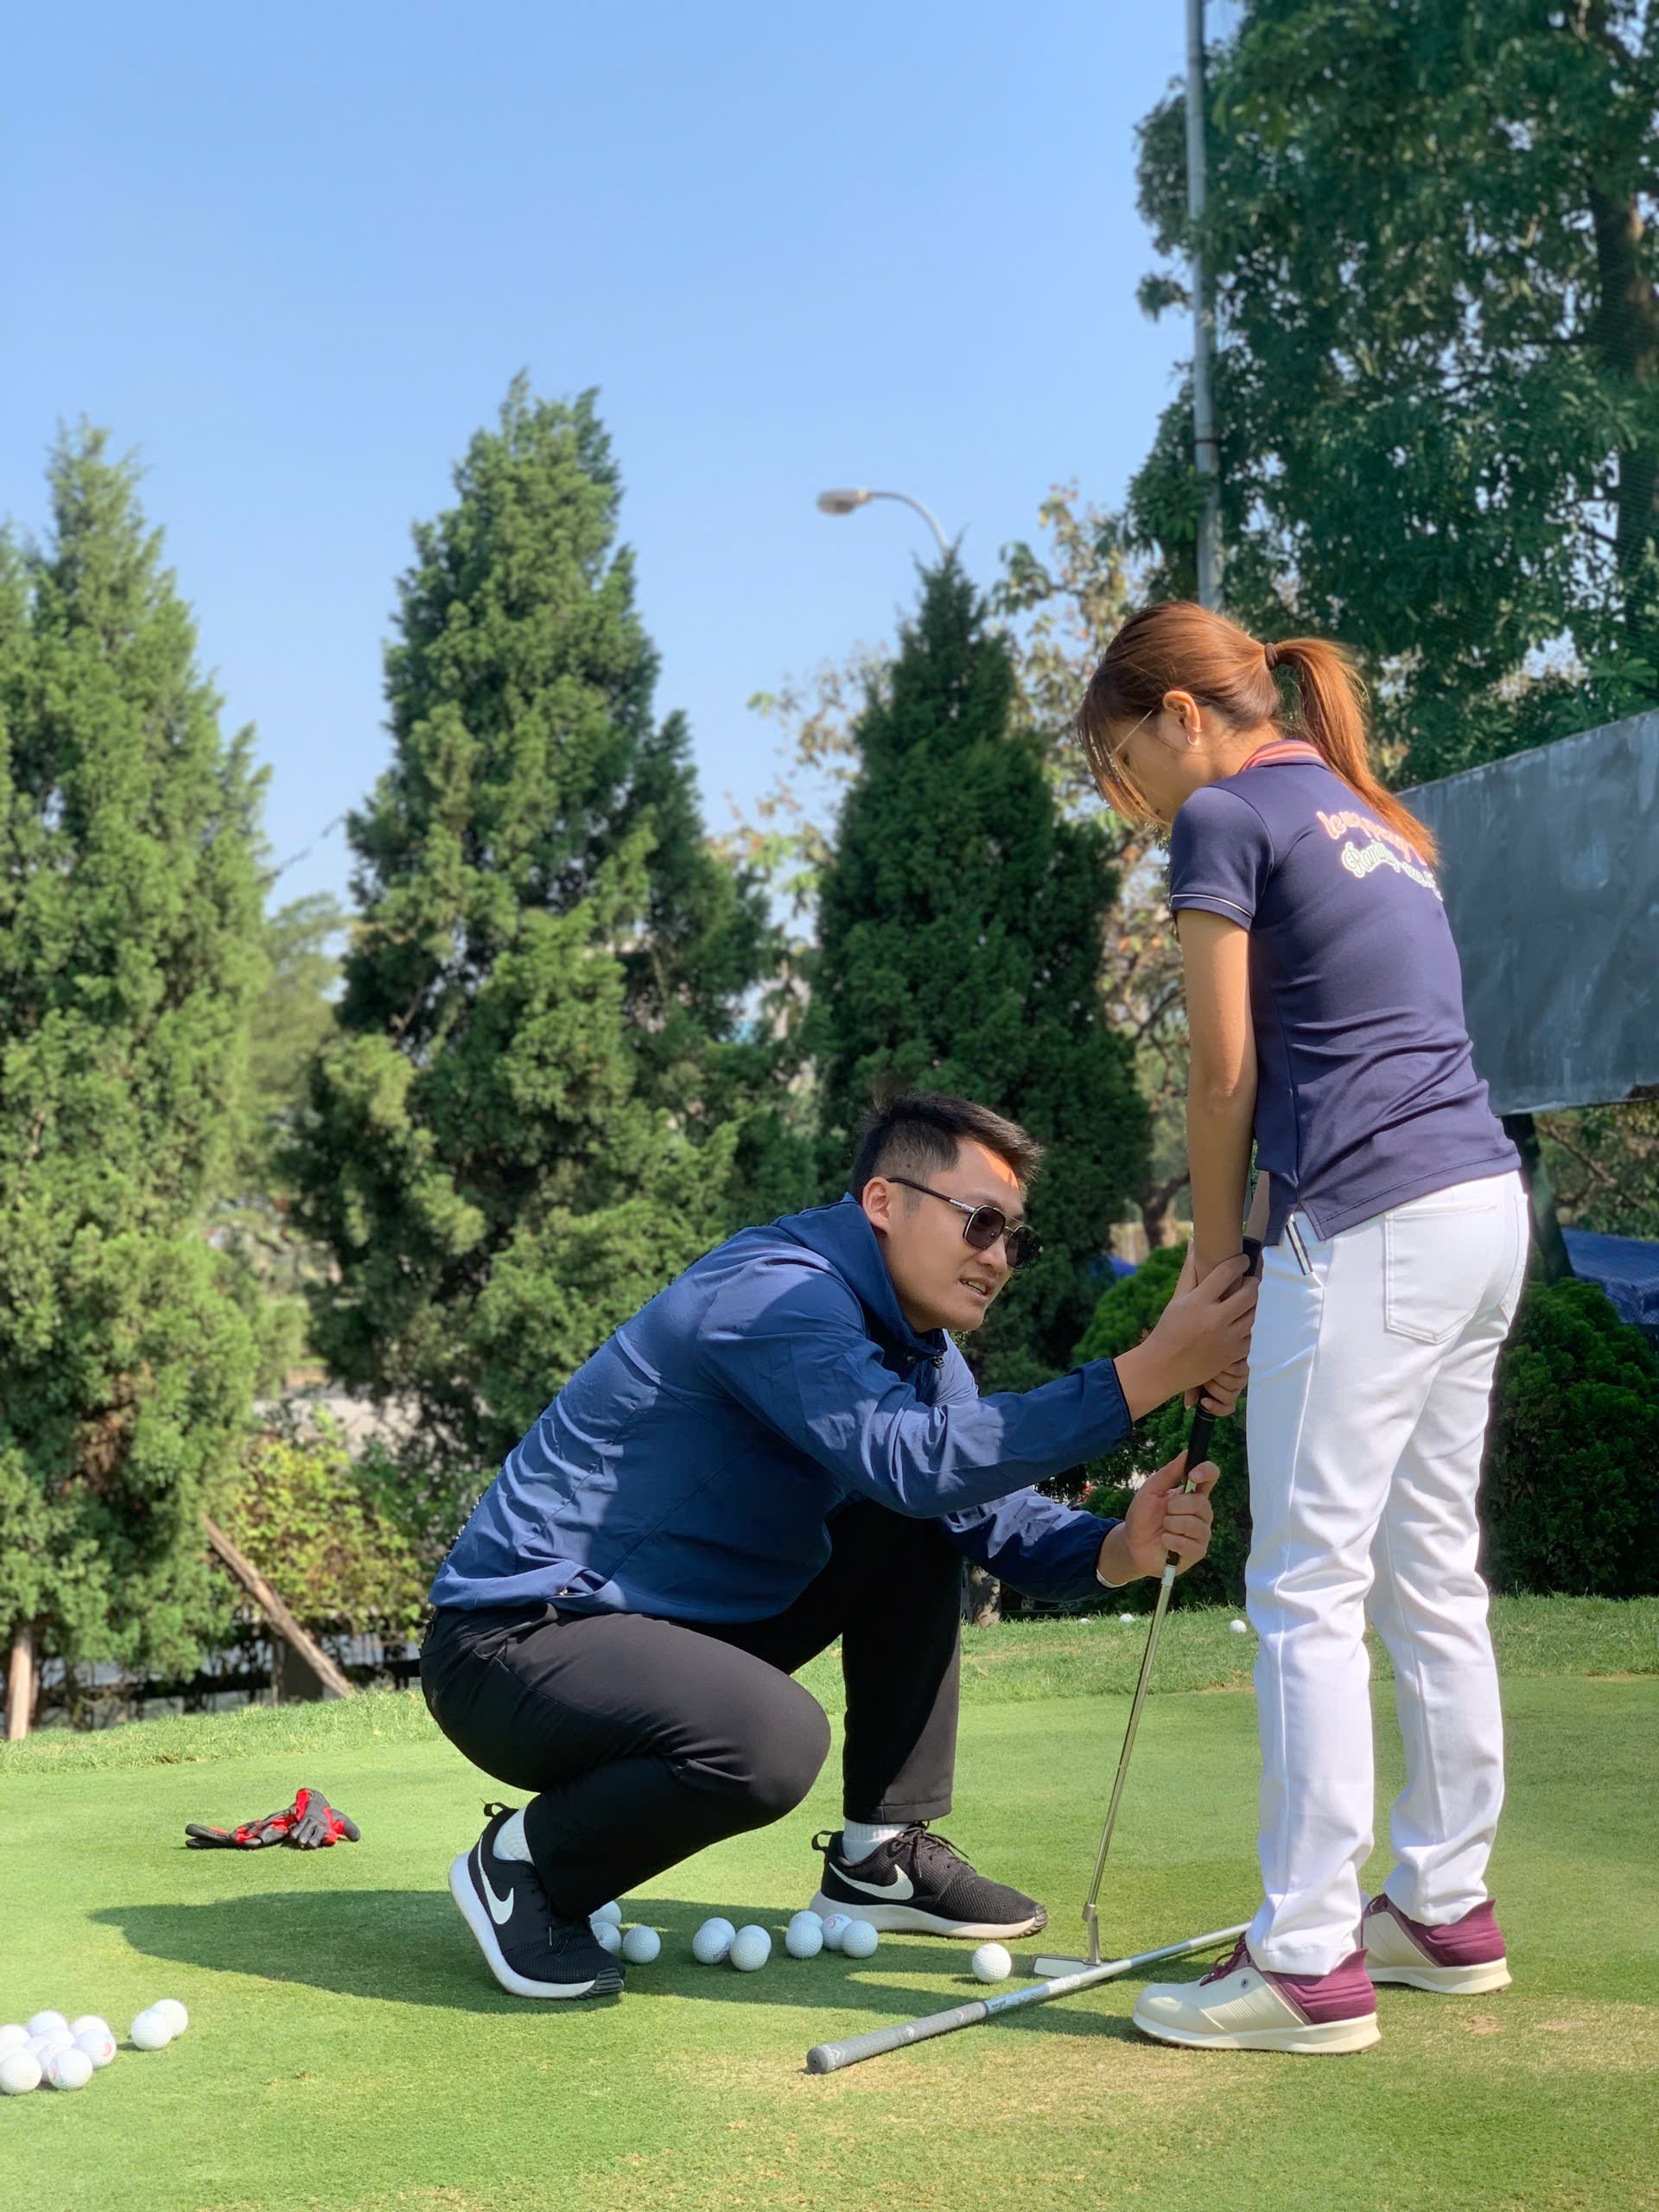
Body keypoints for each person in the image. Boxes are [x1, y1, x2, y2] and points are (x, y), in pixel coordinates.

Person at [420, 1090, 1257, 2000]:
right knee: (774, 1737)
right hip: (515, 1647)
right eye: (980, 1222)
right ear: (883, 1202)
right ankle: (526, 1867)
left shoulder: (920, 1347)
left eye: (1016, 1239)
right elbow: (915, 1462)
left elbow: (973, 1507)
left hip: (665, 1635)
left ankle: (878, 1855)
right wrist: (1145, 1374)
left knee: (910, 1519)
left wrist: (1118, 1549)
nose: (999, 1258)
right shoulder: (779, 1291)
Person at [1077, 605, 1529, 2056]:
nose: (1135, 799)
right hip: (1480, 1211)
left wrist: (1212, 1275)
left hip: (1378, 1222)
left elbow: (1224, 1076)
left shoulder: (1226, 818)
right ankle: (1443, 1907)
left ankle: (1307, 1960)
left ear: (1177, 714)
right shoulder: (1365, 814)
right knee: (1428, 1568)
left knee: (1307, 1582)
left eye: (1124, 762)